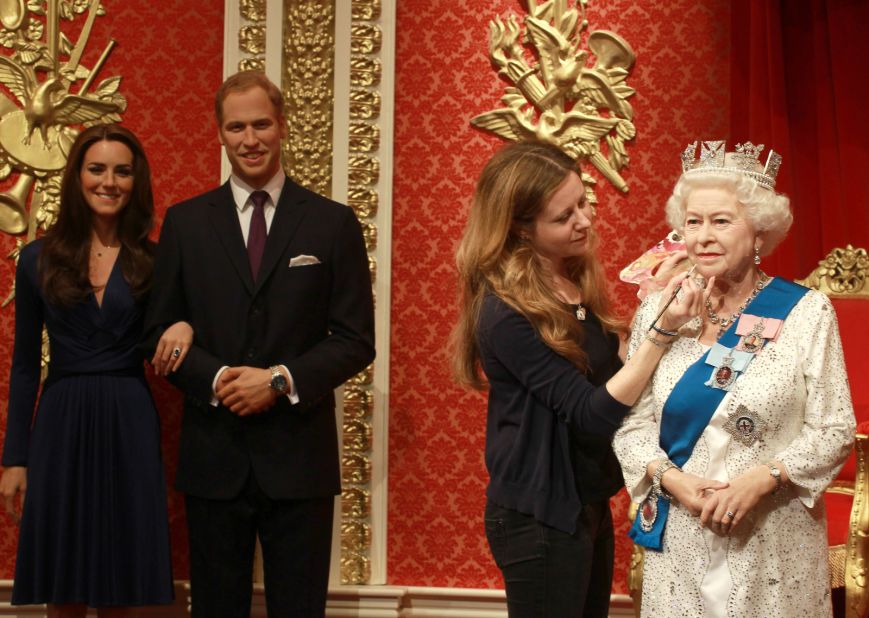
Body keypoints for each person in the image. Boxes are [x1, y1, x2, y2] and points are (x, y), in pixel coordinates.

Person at [143, 70, 375, 617]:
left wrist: (277, 381)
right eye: (236, 127)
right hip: (213, 458)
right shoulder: (184, 223)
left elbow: (355, 340)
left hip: (299, 461)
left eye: (261, 124)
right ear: (220, 134)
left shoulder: (332, 223)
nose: (250, 139)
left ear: (283, 127)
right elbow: (156, 334)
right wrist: (219, 379)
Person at [452, 140, 709, 618]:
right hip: (540, 512)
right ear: (520, 229)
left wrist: (650, 303)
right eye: (563, 216)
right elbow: (593, 413)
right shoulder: (505, 312)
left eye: (583, 202)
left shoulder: (569, 280)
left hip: (582, 500)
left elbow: (611, 373)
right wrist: (662, 329)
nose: (585, 220)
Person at [613, 140, 855, 617]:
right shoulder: (660, 312)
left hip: (772, 532)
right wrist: (671, 478)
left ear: (760, 232)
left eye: (721, 221)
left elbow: (834, 429)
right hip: (683, 528)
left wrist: (764, 479)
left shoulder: (806, 312)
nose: (703, 236)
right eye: (693, 221)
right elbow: (631, 424)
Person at [0, 124, 192, 617]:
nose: (110, 181)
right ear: (77, 177)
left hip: (129, 416)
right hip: (61, 419)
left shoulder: (155, 260)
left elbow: (183, 326)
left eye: (122, 171)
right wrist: (15, 458)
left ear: (136, 181)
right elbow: (24, 367)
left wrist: (186, 325)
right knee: (63, 578)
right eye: (97, 169)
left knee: (119, 575)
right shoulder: (38, 258)